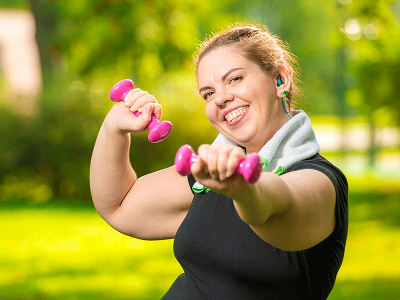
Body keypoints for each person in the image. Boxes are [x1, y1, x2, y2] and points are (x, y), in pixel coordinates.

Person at [90, 23, 348, 299]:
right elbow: (118, 206)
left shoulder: (320, 181)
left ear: (280, 79)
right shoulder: (209, 174)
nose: (221, 98)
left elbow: (275, 203)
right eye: (208, 93)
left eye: (235, 79)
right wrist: (113, 128)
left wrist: (243, 189)